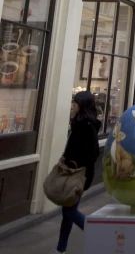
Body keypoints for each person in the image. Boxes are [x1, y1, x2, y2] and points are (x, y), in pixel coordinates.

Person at [51, 91, 100, 254]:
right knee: (68, 212)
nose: (73, 105)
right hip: (74, 172)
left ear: (83, 105)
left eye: (75, 102)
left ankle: (95, 233)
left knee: (69, 211)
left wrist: (75, 162)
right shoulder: (79, 124)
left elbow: (93, 153)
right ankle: (61, 248)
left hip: (79, 175)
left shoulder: (87, 126)